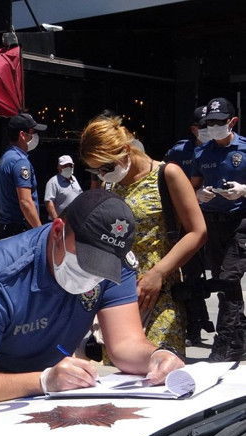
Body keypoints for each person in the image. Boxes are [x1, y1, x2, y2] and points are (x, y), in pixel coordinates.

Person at [0, 189, 185, 409]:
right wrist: (44, 381)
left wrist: (156, 356)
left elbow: (125, 343)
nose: (93, 275)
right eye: (86, 262)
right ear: (57, 231)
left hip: (41, 385)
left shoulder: (118, 265)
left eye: (102, 268)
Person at [80, 115, 206, 356]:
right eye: (94, 170)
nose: (101, 174)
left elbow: (197, 231)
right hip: (118, 298)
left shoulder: (167, 174)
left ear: (125, 150)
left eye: (106, 167)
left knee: (161, 373)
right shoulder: (109, 185)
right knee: (121, 384)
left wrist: (158, 273)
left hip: (160, 293)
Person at [191, 97, 246, 362]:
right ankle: (241, 338)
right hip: (212, 224)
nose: (212, 127)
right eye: (209, 122)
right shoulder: (202, 152)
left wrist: (244, 190)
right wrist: (199, 194)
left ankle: (223, 343)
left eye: (218, 122)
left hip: (240, 224)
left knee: (228, 279)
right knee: (226, 285)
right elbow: (191, 187)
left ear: (232, 122)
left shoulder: (245, 149)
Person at [164, 106, 215, 345]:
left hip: (215, 220)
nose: (209, 130)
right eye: (204, 126)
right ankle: (194, 324)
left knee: (221, 276)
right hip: (188, 223)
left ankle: (229, 328)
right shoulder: (178, 151)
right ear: (194, 128)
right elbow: (161, 180)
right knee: (192, 276)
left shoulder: (219, 148)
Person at [0, 113, 47, 240]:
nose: (35, 136)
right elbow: (25, 202)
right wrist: (40, 231)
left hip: (5, 228)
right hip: (19, 232)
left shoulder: (4, 159)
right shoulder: (20, 161)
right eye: (32, 132)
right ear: (22, 135)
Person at [44, 155, 82, 220]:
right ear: (59, 167)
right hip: (61, 222)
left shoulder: (74, 179)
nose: (68, 168)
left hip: (75, 220)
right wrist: (56, 220)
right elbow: (48, 202)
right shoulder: (53, 182)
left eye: (70, 165)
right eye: (65, 166)